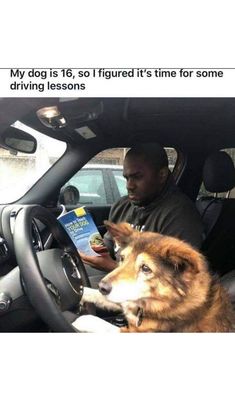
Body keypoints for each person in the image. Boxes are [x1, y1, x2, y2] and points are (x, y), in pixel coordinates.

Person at [80, 143, 204, 287]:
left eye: (137, 177)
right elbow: (108, 244)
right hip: (116, 275)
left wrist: (111, 266)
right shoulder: (122, 205)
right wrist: (90, 249)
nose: (129, 185)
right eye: (126, 178)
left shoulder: (180, 215)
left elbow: (173, 282)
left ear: (162, 175)